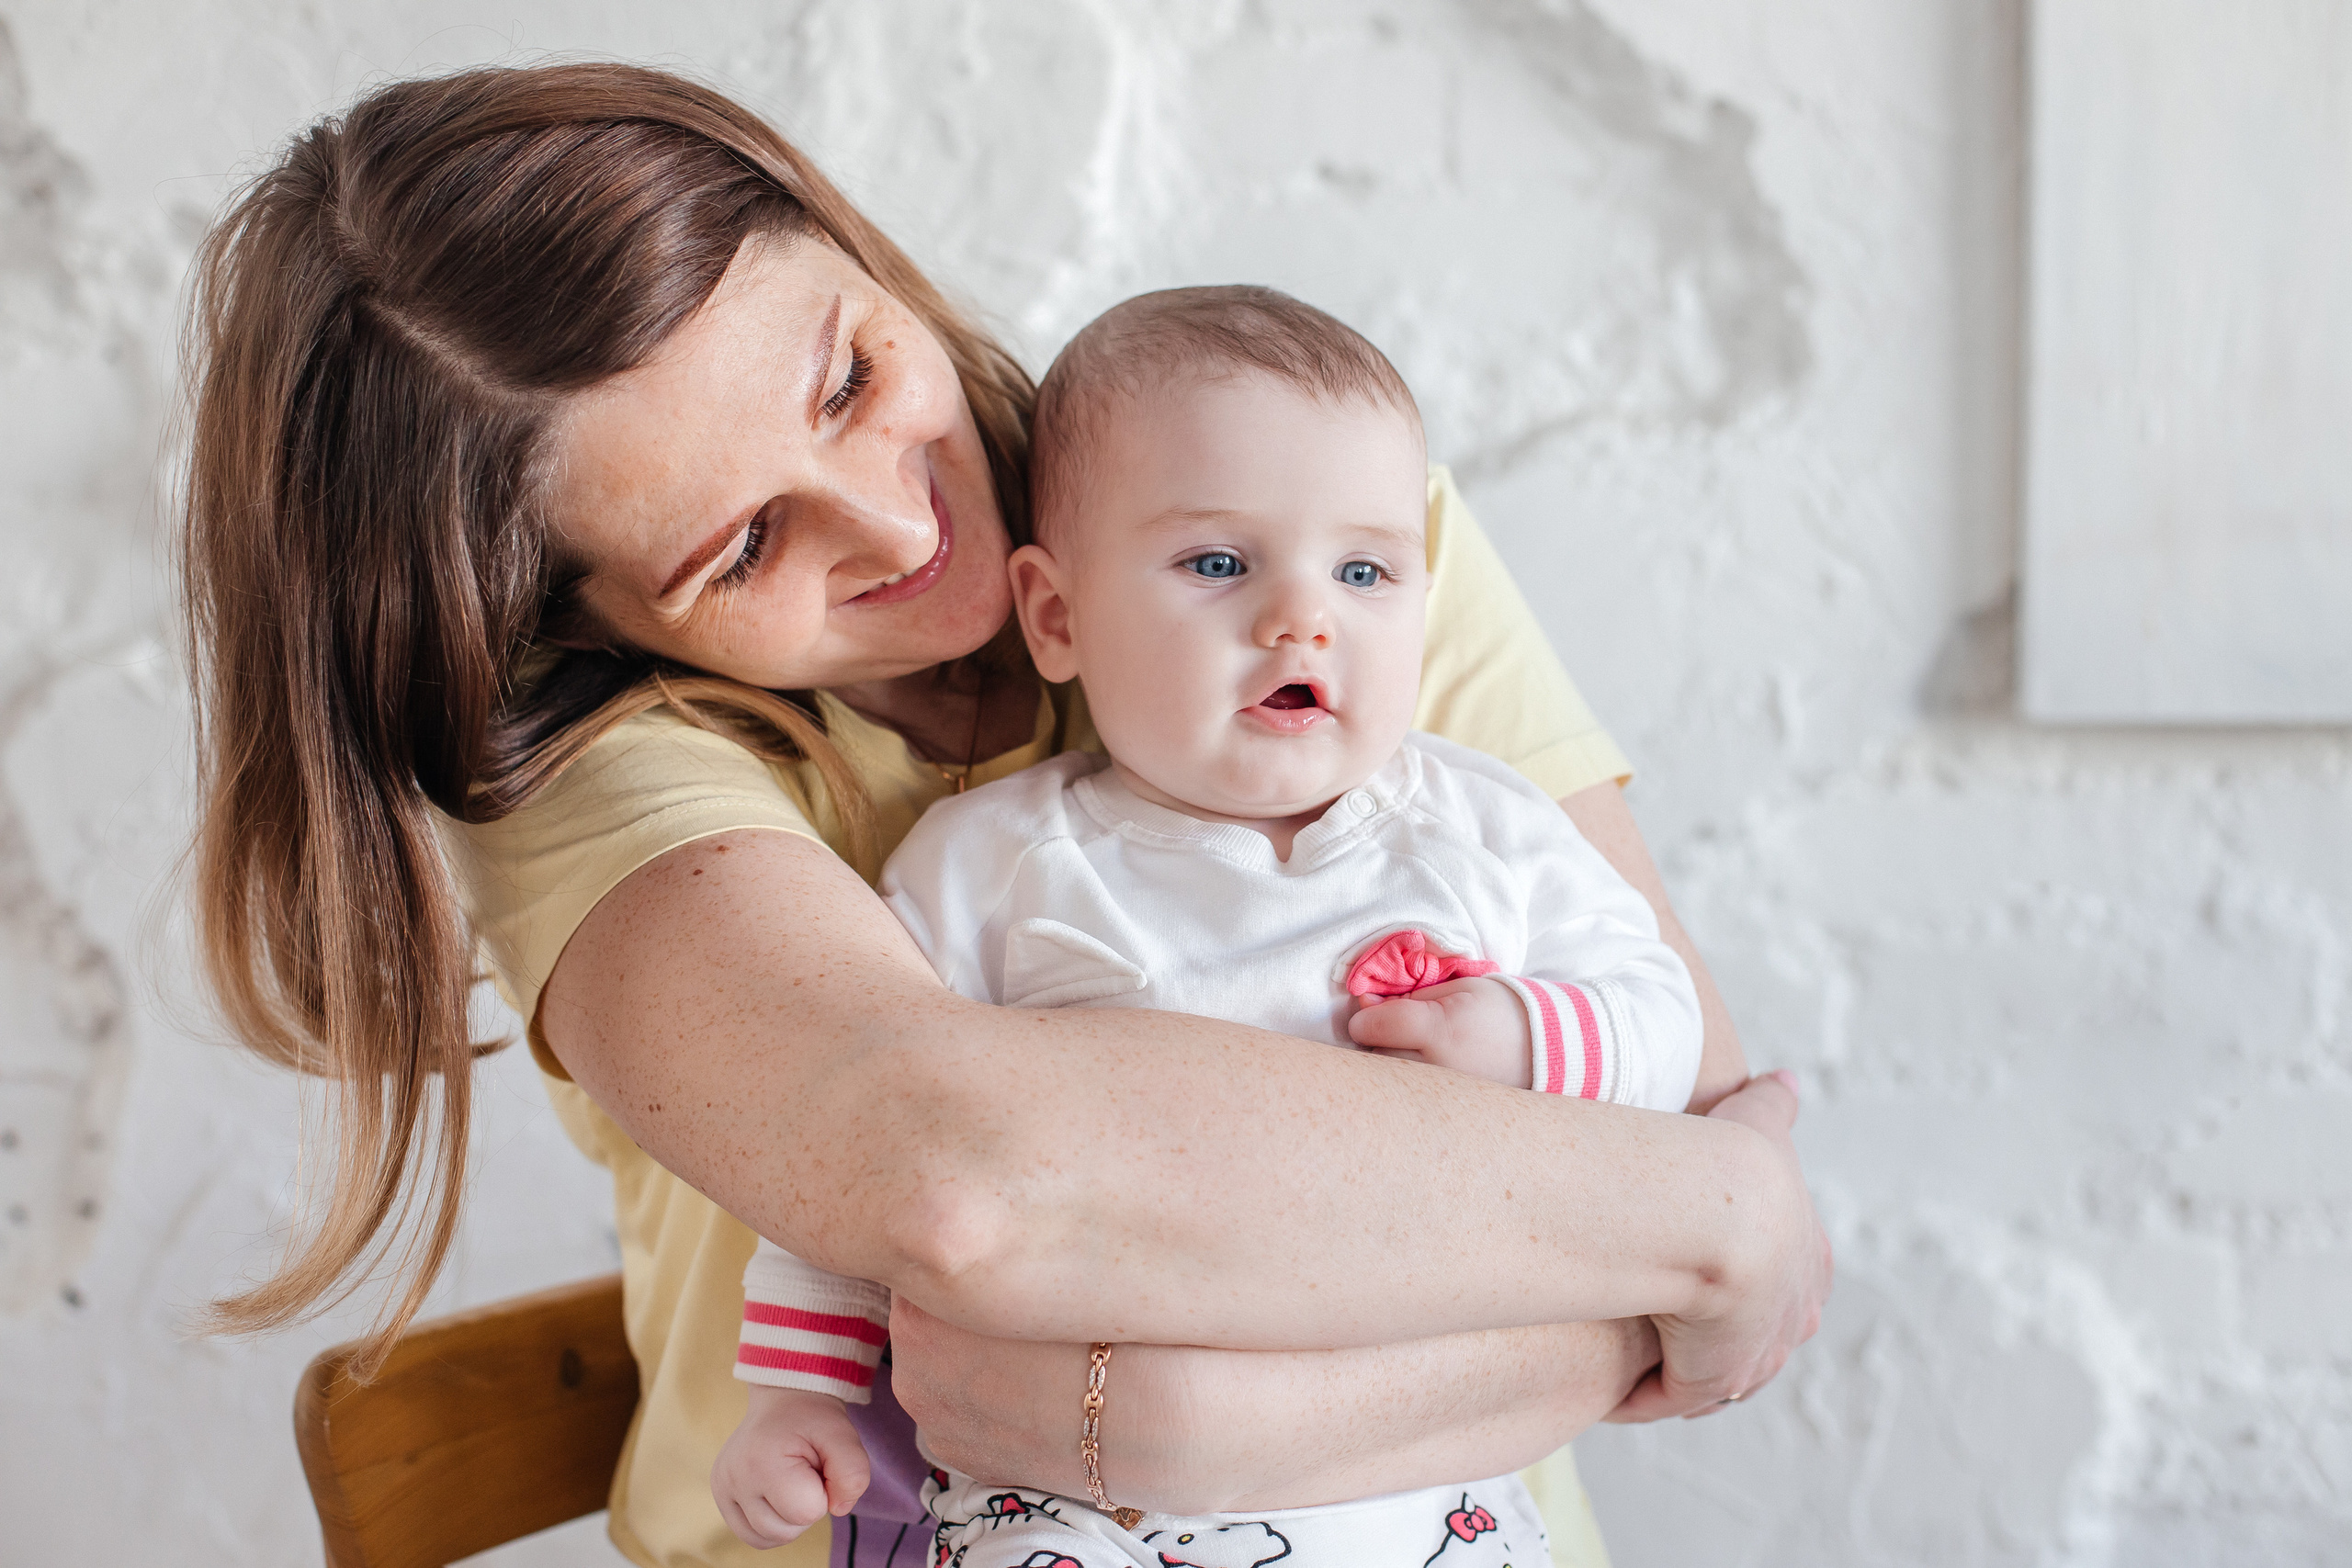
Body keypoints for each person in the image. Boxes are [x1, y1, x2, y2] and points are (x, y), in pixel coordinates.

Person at [177, 62, 1829, 1568]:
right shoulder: (575, 769)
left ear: (855, 245)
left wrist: (1202, 1423)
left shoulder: (1306, 533)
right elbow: (966, 1182)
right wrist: (1704, 1235)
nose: (897, 526)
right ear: (585, 625)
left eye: (848, 377)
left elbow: (1676, 1103)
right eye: (742, 548)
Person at [713, 286, 1715, 1568]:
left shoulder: (1484, 828)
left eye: (1363, 571)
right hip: (1069, 1494)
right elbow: (855, 1142)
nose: (1303, 618)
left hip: (1413, 1478)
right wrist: (797, 1395)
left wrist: (1523, 1036)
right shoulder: (993, 867)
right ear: (1058, 616)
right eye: (1219, 565)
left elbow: (1661, 1017)